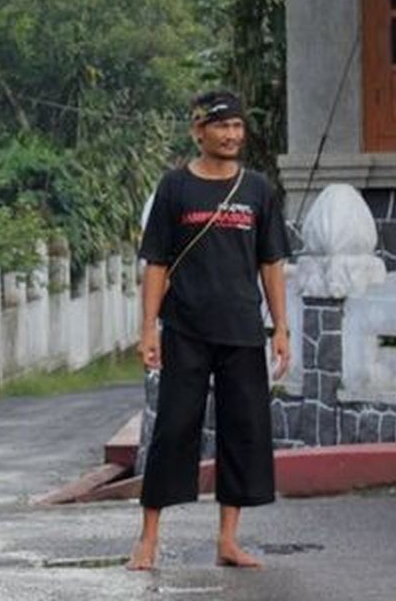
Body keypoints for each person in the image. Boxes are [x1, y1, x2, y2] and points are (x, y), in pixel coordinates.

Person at [127, 89, 291, 571]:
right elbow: (156, 263)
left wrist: (280, 327)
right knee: (174, 429)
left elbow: (271, 263)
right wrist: (148, 328)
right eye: (221, 127)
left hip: (242, 330)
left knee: (242, 433)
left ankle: (228, 540)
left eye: (238, 127)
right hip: (186, 329)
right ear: (198, 131)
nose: (231, 135)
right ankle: (148, 540)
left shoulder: (258, 189)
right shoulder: (175, 188)